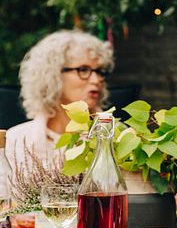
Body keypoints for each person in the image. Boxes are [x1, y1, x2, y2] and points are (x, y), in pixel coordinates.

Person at [6, 30, 113, 171]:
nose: (97, 80)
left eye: (99, 72)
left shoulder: (114, 138)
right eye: (83, 70)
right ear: (52, 75)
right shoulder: (15, 142)